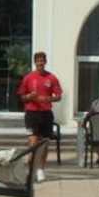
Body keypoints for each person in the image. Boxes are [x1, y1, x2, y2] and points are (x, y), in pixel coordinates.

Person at [16, 51, 62, 182]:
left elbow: (59, 96)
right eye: (38, 61)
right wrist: (29, 96)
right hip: (32, 113)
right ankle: (31, 170)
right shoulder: (28, 78)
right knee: (33, 143)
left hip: (46, 114)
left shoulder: (51, 78)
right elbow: (21, 97)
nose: (40, 63)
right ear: (35, 62)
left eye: (42, 60)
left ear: (45, 62)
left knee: (44, 144)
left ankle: (40, 169)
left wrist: (48, 99)